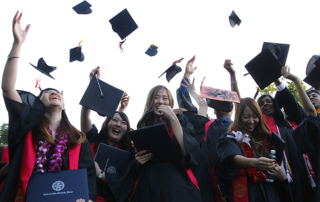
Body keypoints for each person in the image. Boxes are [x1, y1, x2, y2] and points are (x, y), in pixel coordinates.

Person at [0, 11, 96, 202]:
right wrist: (17, 44)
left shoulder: (78, 140)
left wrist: (87, 200)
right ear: (37, 103)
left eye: (57, 92)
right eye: (46, 92)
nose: (53, 93)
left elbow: (88, 177)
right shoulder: (25, 128)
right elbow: (7, 88)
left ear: (64, 103)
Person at [226, 59, 312, 201]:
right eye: (261, 103)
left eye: (269, 101)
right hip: (270, 178)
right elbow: (240, 106)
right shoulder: (258, 129)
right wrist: (233, 76)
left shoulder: (287, 124)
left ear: (275, 104)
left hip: (296, 173)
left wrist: (276, 78)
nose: (265, 104)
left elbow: (291, 102)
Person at [130, 85, 202, 202]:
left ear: (170, 102)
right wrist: (137, 163)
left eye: (165, 98)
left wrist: (173, 119)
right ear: (150, 101)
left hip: (175, 182)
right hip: (149, 183)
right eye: (156, 97)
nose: (161, 101)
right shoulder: (142, 126)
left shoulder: (180, 120)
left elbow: (188, 152)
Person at [217, 97, 288, 202]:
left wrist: (282, 176)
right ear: (238, 117)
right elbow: (234, 157)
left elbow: (279, 163)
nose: (251, 121)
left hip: (270, 191)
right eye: (246, 117)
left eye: (255, 117)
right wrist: (255, 162)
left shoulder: (267, 138)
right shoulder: (230, 137)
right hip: (246, 191)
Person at [81, 67, 134, 202]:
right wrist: (93, 85)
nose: (118, 124)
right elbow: (85, 114)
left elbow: (123, 182)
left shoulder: (127, 152)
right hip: (84, 197)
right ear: (106, 124)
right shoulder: (93, 138)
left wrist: (99, 174)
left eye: (123, 123)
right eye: (114, 120)